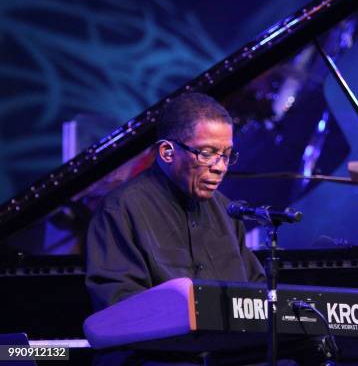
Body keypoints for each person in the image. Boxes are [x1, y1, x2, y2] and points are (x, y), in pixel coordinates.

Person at [85, 92, 266, 364]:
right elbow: (119, 309)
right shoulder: (121, 209)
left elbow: (257, 295)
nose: (220, 167)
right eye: (207, 154)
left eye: (227, 155)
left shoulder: (228, 212)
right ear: (167, 152)